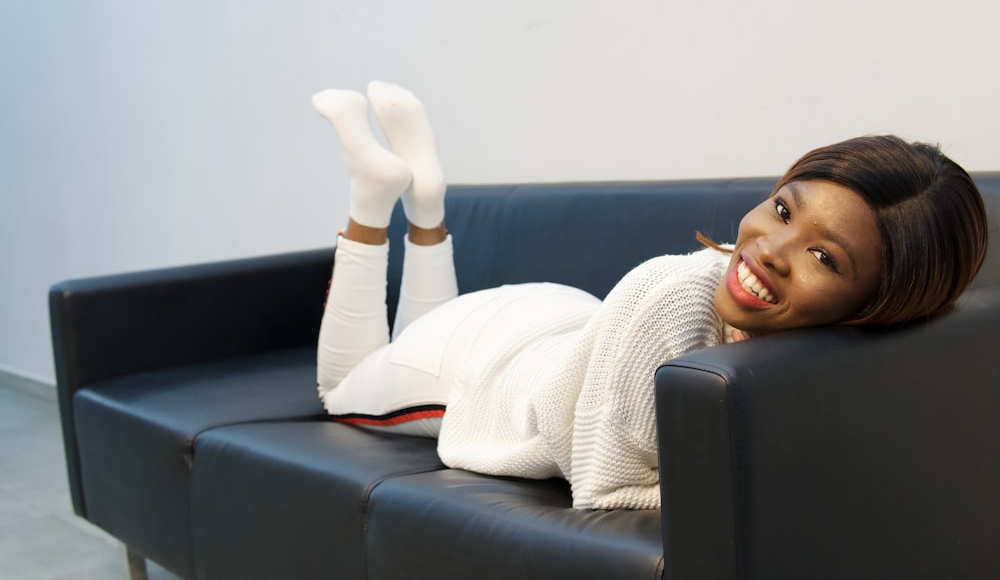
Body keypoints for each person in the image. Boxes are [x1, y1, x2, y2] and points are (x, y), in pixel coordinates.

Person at [312, 81, 989, 510]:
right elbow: (604, 490)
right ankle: (373, 197)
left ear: (877, 304)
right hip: (481, 365)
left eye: (821, 256)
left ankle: (426, 200)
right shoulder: (672, 301)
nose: (766, 251)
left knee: (416, 334)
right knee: (343, 386)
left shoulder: (832, 347)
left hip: (561, 322)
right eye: (783, 210)